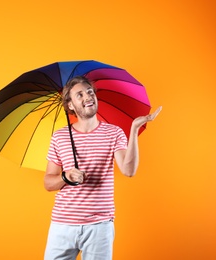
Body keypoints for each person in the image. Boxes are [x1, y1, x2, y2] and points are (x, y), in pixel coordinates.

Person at [44, 76, 162, 260]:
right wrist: (66, 177)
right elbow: (48, 182)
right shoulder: (60, 137)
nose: (88, 96)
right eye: (80, 94)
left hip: (99, 226)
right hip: (62, 225)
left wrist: (134, 129)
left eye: (90, 92)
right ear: (71, 105)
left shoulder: (114, 132)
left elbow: (128, 171)